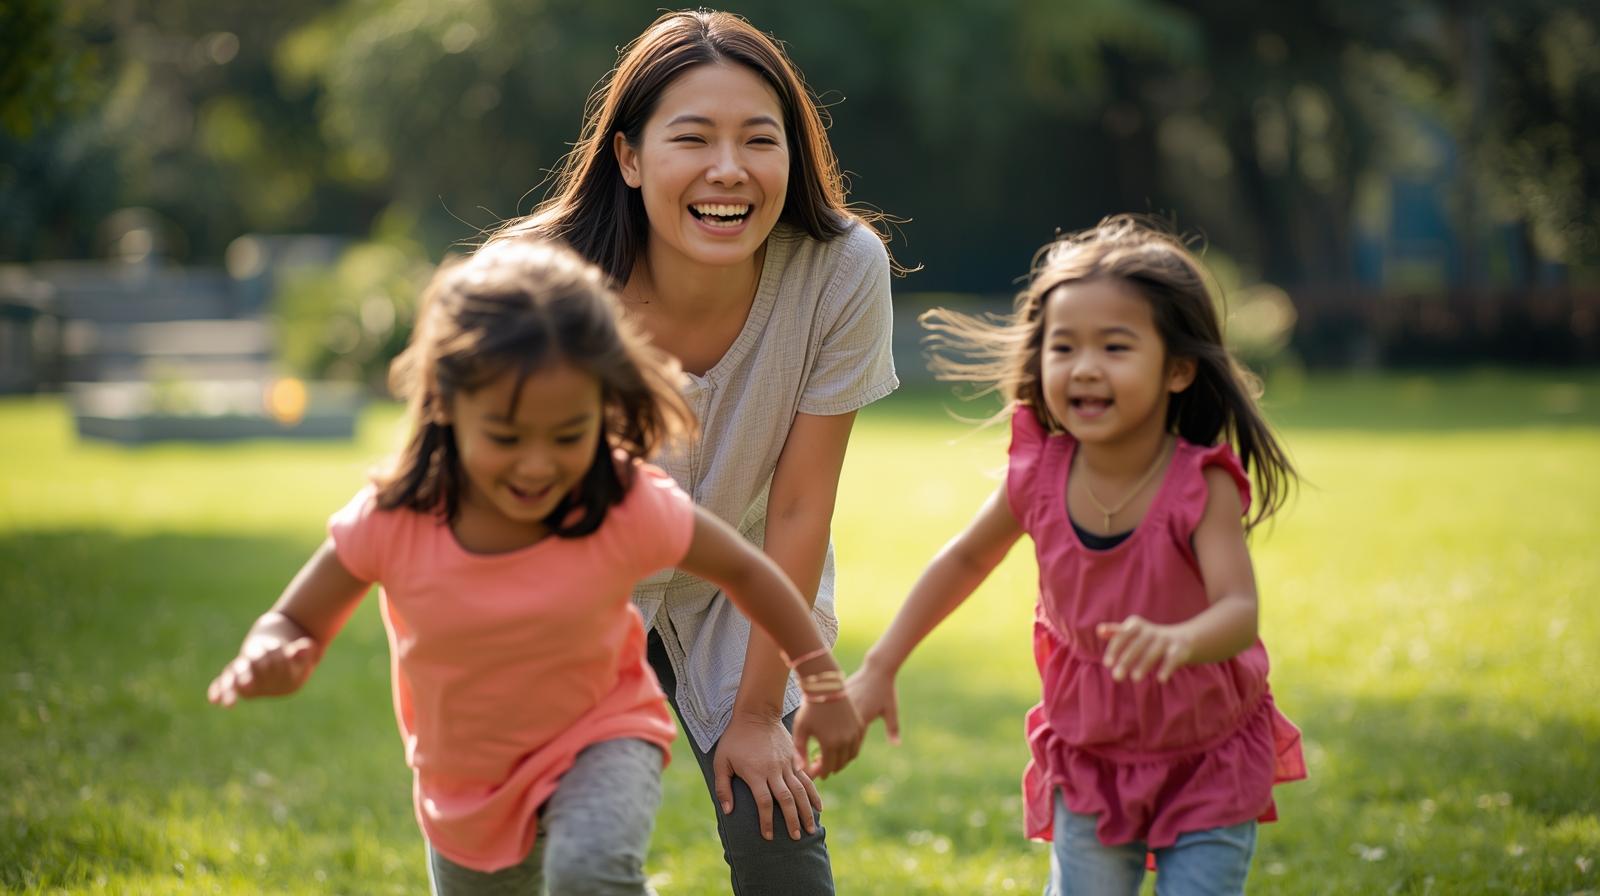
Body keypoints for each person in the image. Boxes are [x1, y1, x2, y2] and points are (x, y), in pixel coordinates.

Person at [206, 238, 864, 896]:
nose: (537, 465)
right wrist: (273, 649)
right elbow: (297, 615)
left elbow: (747, 572)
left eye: (568, 435)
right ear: (445, 402)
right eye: (506, 436)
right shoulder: (397, 517)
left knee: (589, 872)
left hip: (601, 739)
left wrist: (822, 684)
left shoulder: (622, 502)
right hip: (466, 782)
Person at [492, 10, 899, 892]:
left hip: (743, 578)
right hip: (573, 588)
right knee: (524, 843)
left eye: (761, 139)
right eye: (693, 138)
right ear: (630, 158)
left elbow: (799, 505)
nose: (730, 169)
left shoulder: (841, 268)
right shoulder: (536, 278)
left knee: (774, 820)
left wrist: (757, 715)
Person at [847, 216, 1307, 894]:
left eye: (1116, 347)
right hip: (1091, 751)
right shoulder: (1040, 474)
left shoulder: (1198, 484)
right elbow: (964, 561)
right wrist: (881, 664)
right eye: (1064, 348)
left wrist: (1180, 639)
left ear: (1178, 369)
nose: (1085, 367)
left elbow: (1239, 613)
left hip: (1205, 755)